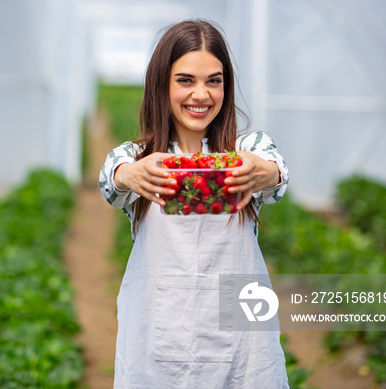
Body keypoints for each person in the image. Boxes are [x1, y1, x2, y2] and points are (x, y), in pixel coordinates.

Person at [99, 19, 290, 388]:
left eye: (213, 81)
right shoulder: (140, 158)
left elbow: (274, 172)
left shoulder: (244, 151)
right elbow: (112, 179)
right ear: (162, 84)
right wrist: (130, 174)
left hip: (240, 330)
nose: (200, 95)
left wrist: (261, 173)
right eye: (185, 80)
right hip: (160, 329)